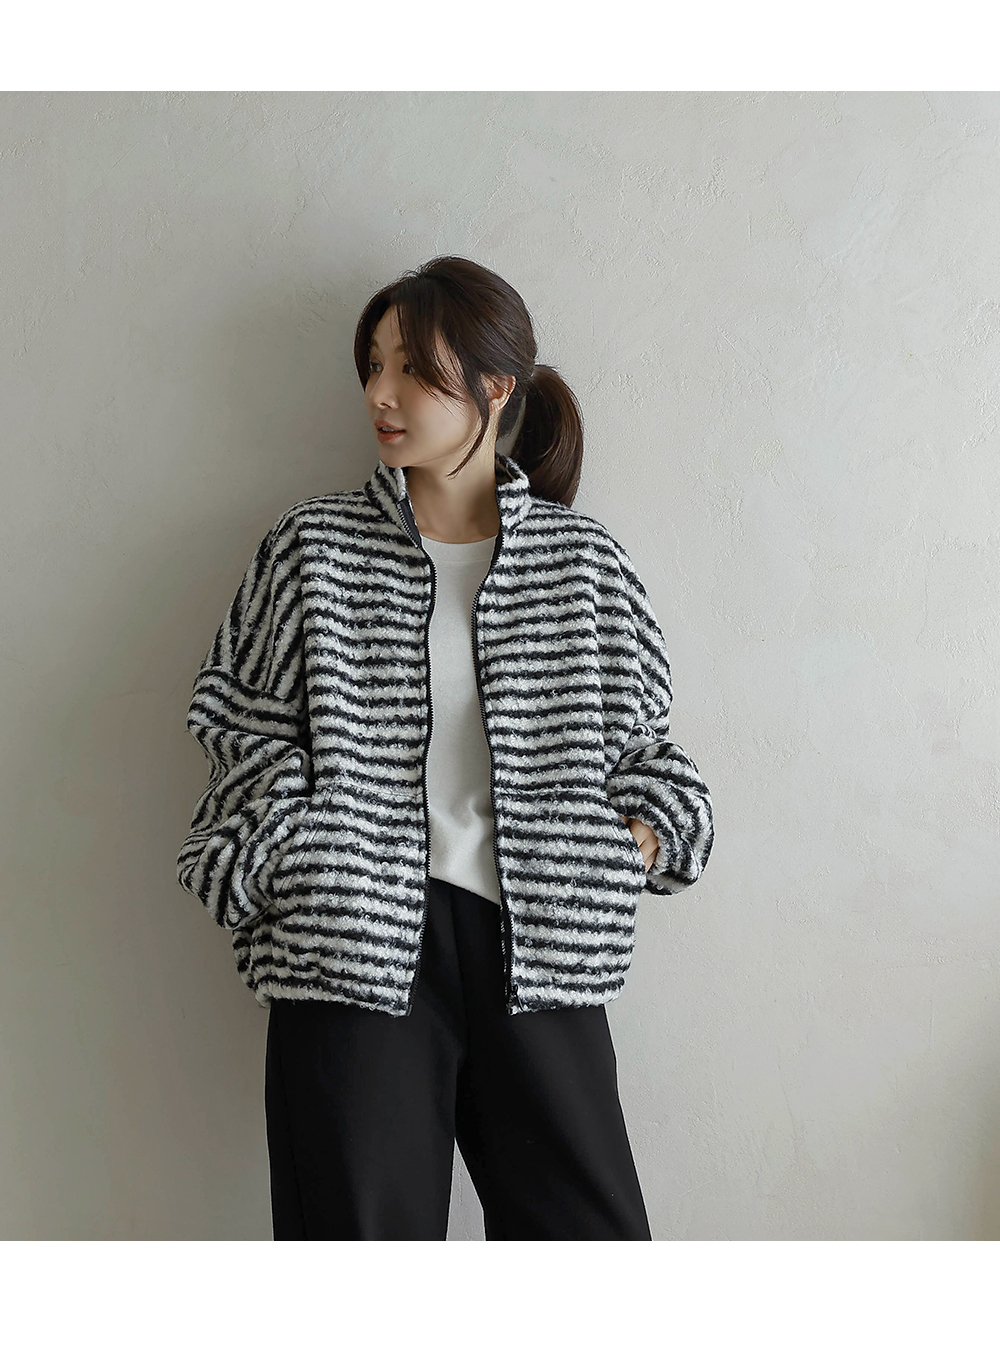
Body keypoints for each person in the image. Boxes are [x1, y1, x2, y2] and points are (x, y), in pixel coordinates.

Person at [176, 255, 715, 1240]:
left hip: (541, 947)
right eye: (373, 366)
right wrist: (309, 858)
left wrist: (628, 844)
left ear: (494, 387)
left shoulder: (583, 563)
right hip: (353, 950)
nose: (380, 394)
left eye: (413, 370)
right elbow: (239, 726)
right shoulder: (312, 549)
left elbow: (645, 750)